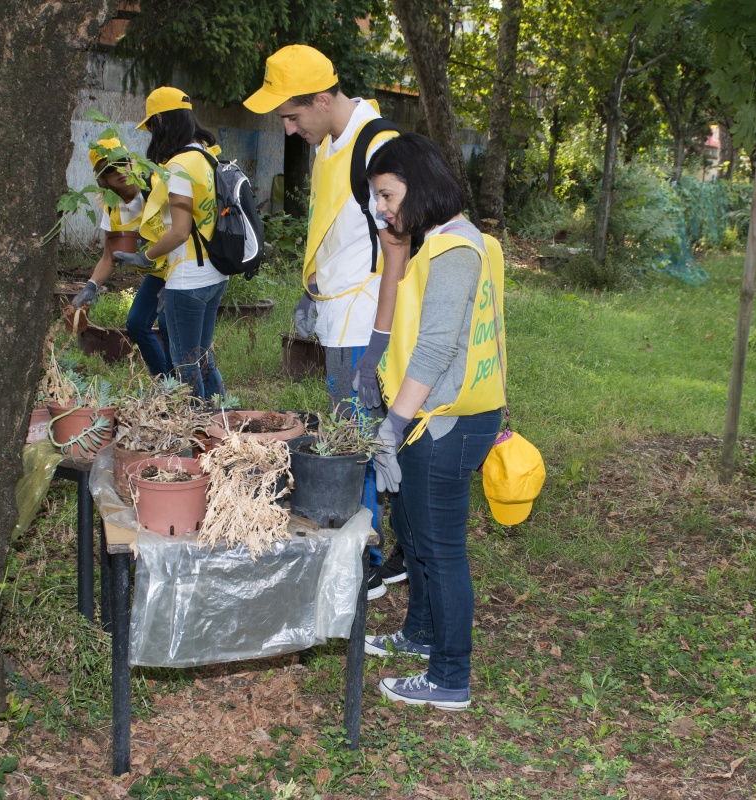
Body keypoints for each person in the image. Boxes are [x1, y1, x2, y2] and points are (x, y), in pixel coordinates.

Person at [244, 44, 404, 594]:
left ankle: (367, 559)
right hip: (337, 318)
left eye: (292, 116)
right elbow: (333, 229)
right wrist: (311, 289)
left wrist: (379, 345)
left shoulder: (376, 144)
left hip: (366, 326)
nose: (288, 129)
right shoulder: (330, 144)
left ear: (319, 99)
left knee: (358, 443)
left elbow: (401, 246)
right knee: (348, 436)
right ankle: (377, 548)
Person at [360, 134, 507, 710]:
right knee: (415, 532)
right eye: (377, 197)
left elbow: (435, 349)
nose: (381, 208)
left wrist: (392, 426)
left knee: (441, 549)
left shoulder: (455, 251)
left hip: (443, 423)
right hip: (435, 417)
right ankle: (420, 633)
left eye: (388, 195)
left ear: (418, 185)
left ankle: (449, 676)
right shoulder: (447, 241)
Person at [114, 87, 226, 400]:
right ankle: (223, 417)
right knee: (203, 358)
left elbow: (179, 231)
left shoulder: (179, 165)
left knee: (185, 364)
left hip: (188, 278)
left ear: (161, 120)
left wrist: (144, 257)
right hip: (215, 273)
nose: (152, 134)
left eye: (152, 126)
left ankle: (197, 424)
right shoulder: (206, 156)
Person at [73, 137, 173, 377]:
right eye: (109, 169)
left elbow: (184, 235)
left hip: (182, 268)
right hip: (159, 273)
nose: (118, 171)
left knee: (170, 324)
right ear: (102, 178)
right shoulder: (112, 206)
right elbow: (109, 256)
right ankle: (164, 381)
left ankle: (182, 384)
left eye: (122, 162)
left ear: (131, 162)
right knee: (137, 324)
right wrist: (91, 286)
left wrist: (175, 283)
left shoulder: (156, 188)